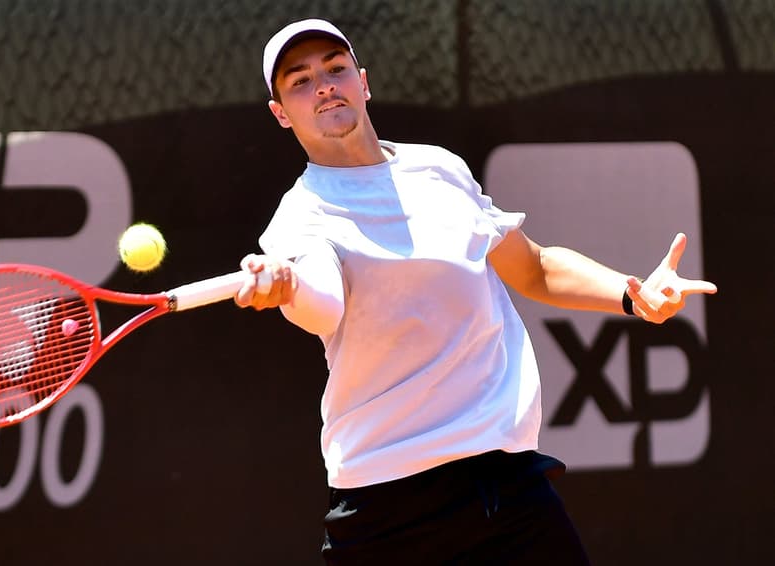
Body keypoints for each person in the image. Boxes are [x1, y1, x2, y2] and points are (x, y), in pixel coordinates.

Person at [234, 18, 718, 565]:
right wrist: (287, 285)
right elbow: (322, 304)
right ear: (280, 113)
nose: (323, 85)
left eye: (335, 68)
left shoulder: (439, 169)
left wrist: (634, 294)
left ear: (362, 82)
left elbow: (533, 268)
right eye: (299, 81)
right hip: (388, 504)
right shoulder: (300, 218)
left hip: (505, 483)